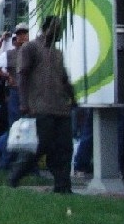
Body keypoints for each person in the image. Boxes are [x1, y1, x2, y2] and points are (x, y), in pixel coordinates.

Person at [9, 16, 76, 193]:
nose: (60, 32)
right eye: (57, 29)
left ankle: (63, 187)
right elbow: (22, 75)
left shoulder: (57, 53)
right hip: (40, 107)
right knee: (40, 145)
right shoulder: (30, 48)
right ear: (47, 29)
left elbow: (64, 79)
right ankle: (15, 175)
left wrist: (73, 98)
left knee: (64, 148)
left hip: (61, 108)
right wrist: (24, 102)